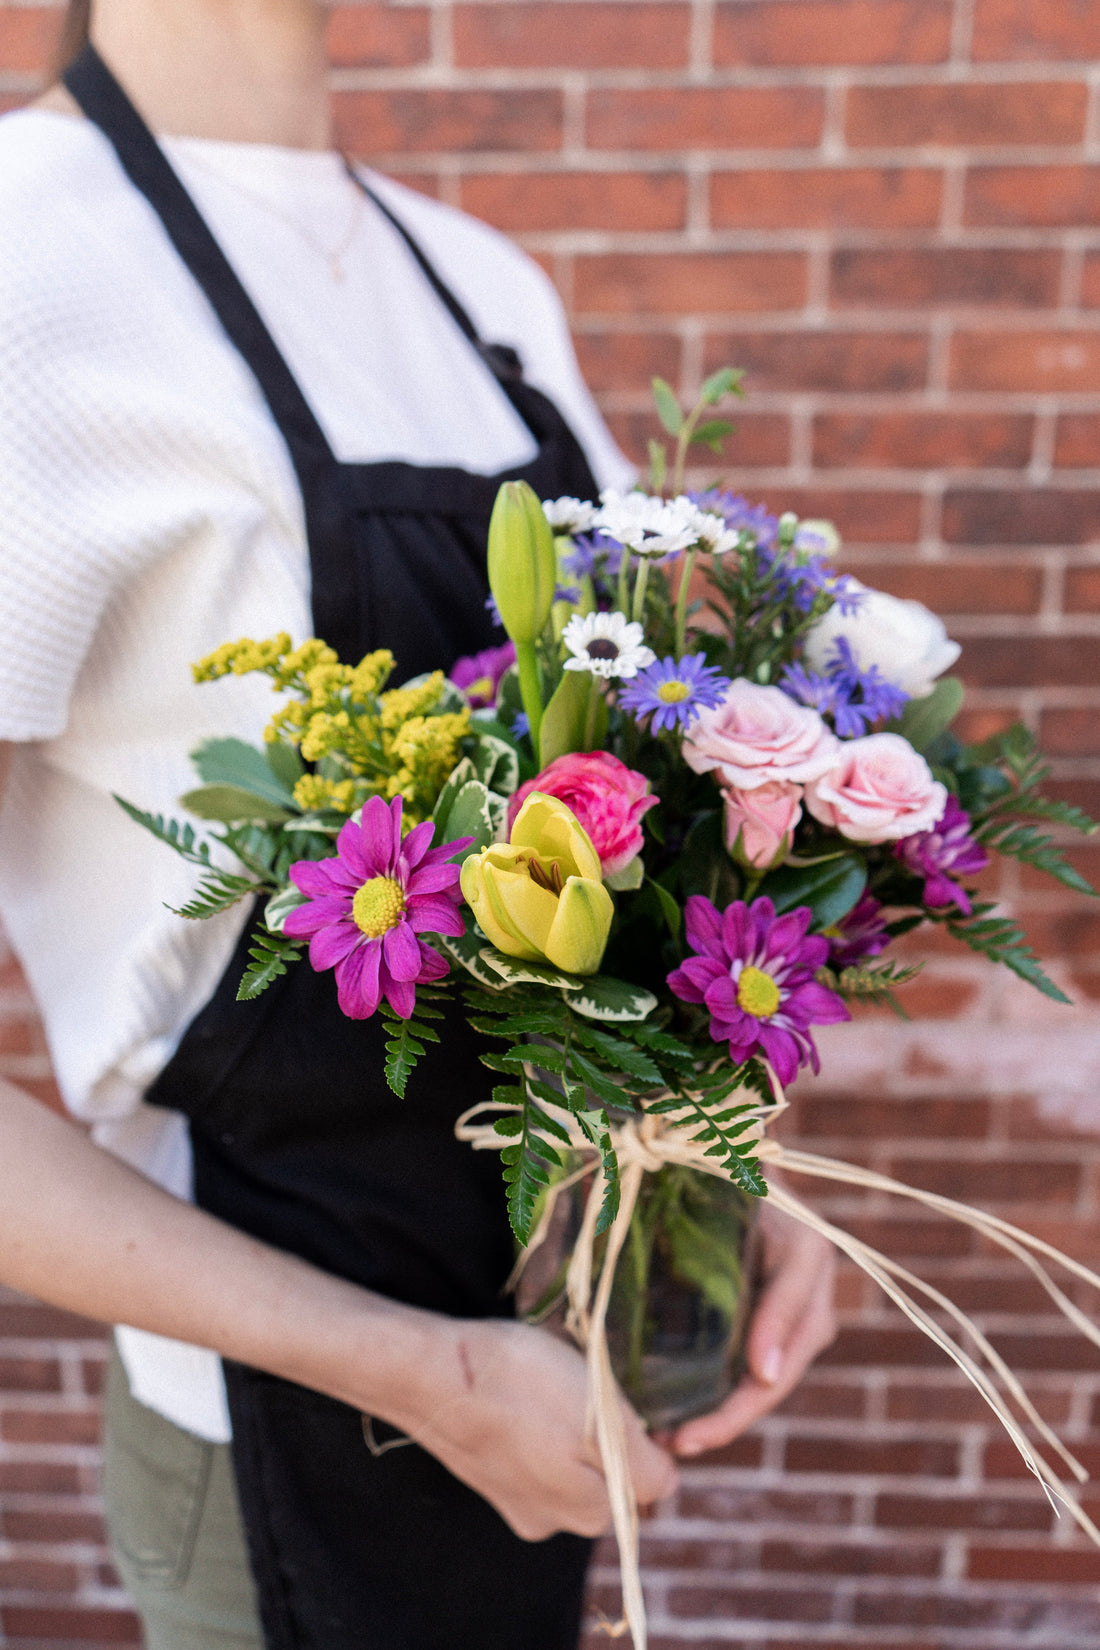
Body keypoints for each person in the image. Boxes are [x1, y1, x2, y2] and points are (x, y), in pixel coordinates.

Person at [0, 3, 837, 1646]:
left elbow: (642, 827)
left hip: (551, 1390)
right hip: (285, 1437)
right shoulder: (29, 265)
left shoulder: (478, 284)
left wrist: (754, 1163)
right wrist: (432, 1375)